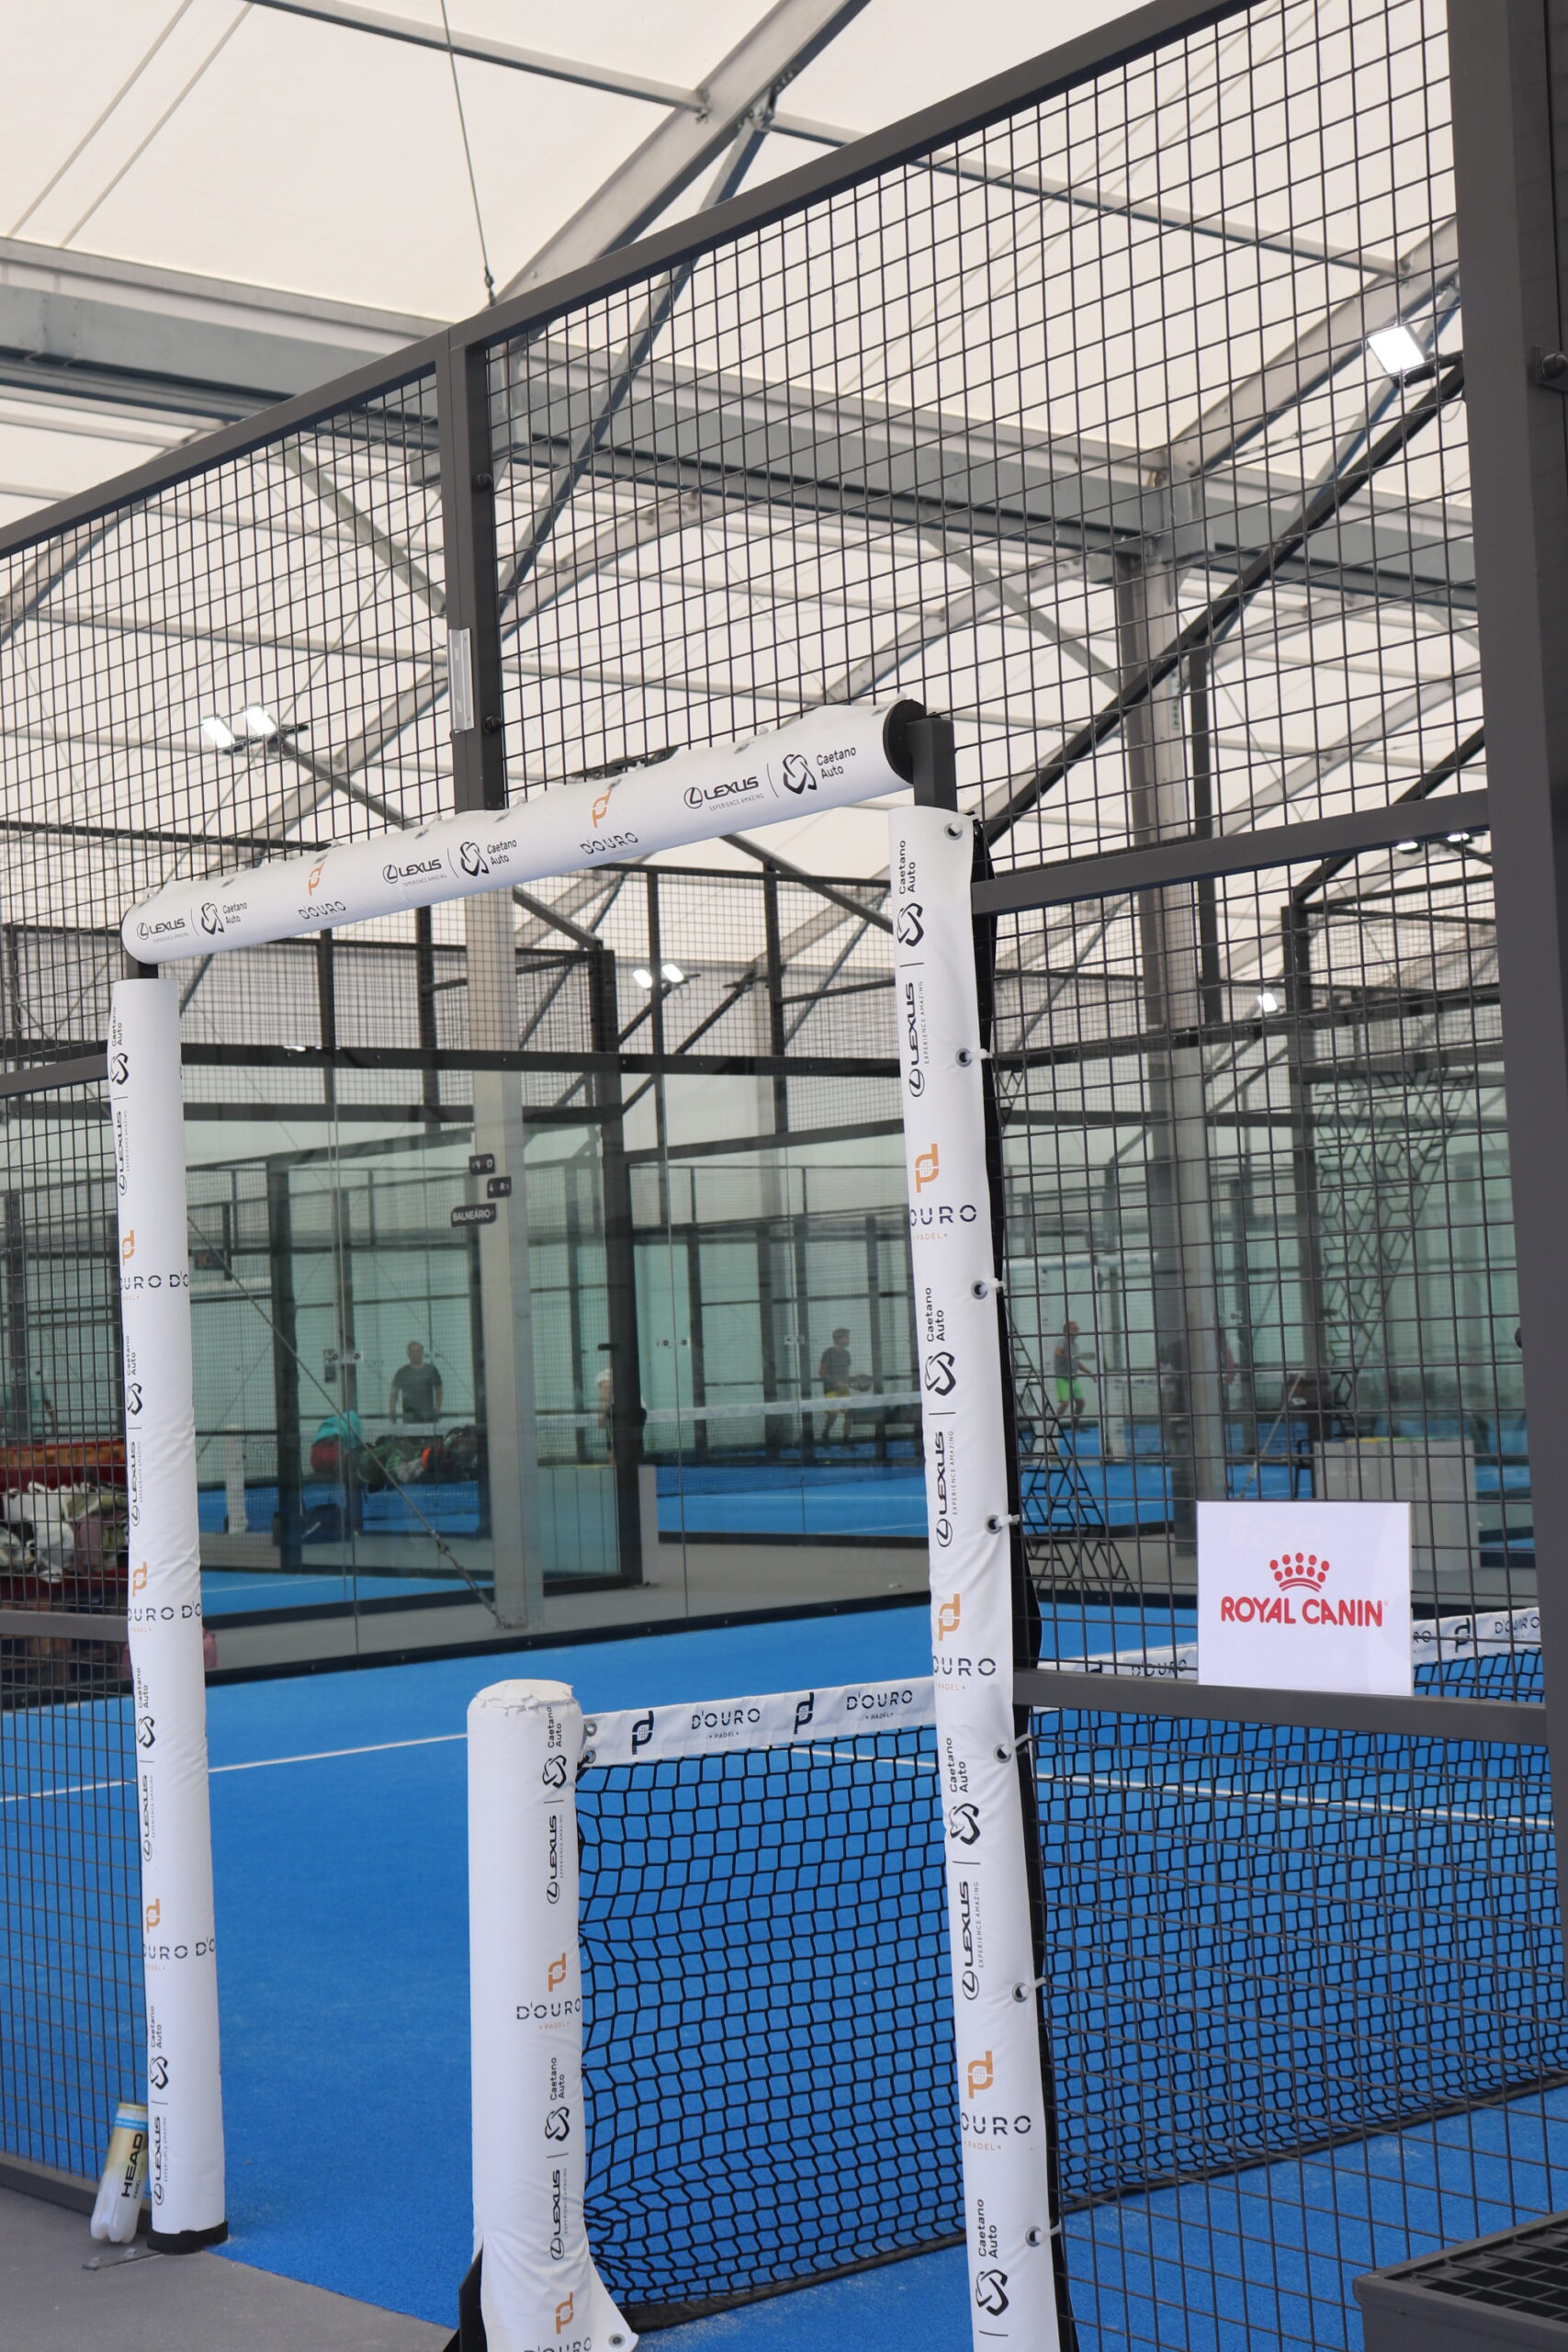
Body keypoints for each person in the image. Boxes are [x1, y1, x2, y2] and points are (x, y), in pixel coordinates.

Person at [389, 1340, 443, 1423]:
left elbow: (439, 1391)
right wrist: (392, 1411)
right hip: (409, 1417)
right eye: (412, 1352)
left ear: (422, 1353)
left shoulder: (431, 1370)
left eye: (418, 1351)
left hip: (429, 1417)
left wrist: (438, 1408)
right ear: (408, 1354)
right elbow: (394, 1394)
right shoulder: (402, 1372)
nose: (415, 1354)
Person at [1054, 1321, 1094, 1425]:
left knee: (1081, 1403)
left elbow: (1076, 1362)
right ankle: (1053, 1425)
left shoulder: (1075, 1346)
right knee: (1065, 1404)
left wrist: (1089, 1373)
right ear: (1067, 1330)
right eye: (1074, 1328)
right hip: (1062, 1378)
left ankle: (1074, 1426)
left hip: (1073, 1378)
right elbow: (1057, 1352)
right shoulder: (1063, 1341)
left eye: (1077, 1328)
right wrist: (1066, 1355)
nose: (1077, 1330)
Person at [818, 1328, 853, 1444]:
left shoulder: (847, 1354)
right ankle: (825, 1435)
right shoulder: (828, 1353)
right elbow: (822, 1372)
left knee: (849, 1414)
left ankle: (846, 1442)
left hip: (844, 1389)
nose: (848, 1340)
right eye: (846, 1337)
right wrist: (835, 1383)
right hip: (830, 1390)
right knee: (832, 1415)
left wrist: (848, 1382)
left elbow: (846, 1372)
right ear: (838, 1339)